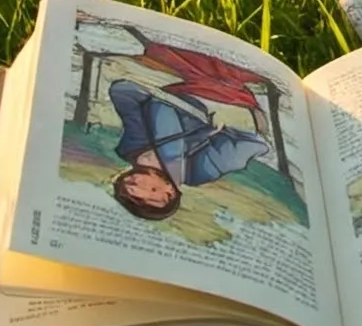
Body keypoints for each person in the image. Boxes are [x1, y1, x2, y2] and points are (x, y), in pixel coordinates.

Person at [106, 30, 276, 220]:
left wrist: (152, 98)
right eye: (138, 192)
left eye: (128, 189)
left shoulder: (130, 148)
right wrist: (218, 122)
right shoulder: (198, 171)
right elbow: (250, 145)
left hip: (179, 90)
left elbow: (124, 95)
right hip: (221, 103)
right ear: (167, 193)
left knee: (157, 54)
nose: (130, 185)